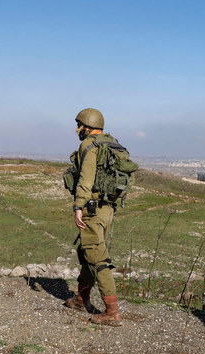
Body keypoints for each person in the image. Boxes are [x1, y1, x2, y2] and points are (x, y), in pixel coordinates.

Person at [63, 108, 123, 327]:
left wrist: (78, 206)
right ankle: (82, 298)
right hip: (107, 208)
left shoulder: (88, 145)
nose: (77, 129)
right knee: (86, 251)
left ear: (86, 126)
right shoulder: (111, 142)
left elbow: (86, 179)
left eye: (79, 125)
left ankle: (112, 312)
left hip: (91, 208)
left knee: (97, 259)